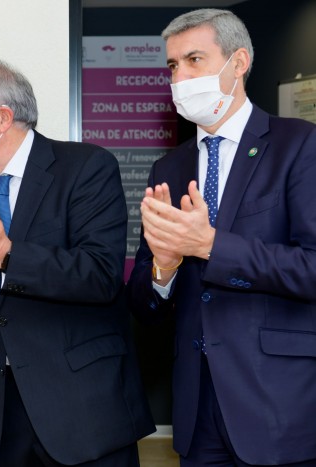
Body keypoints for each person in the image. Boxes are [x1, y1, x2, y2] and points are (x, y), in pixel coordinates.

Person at [0, 56, 155, 467]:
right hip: (6, 410)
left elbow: (100, 276)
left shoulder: (86, 168)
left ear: (2, 117)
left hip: (86, 407)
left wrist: (4, 254)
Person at [127, 9, 316, 467]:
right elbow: (144, 305)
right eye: (173, 66)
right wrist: (163, 270)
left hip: (277, 405)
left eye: (194, 59)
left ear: (239, 62)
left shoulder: (299, 145)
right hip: (197, 408)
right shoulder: (168, 168)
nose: (181, 76)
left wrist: (212, 246)